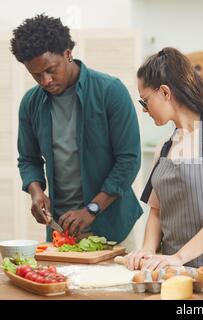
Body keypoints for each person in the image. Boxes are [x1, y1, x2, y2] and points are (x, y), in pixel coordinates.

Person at [11, 14, 143, 249]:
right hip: (62, 232)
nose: (46, 80)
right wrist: (36, 192)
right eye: (36, 75)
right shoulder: (30, 103)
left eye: (51, 70)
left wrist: (92, 209)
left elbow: (129, 160)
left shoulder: (110, 91)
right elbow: (28, 159)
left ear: (68, 53)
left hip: (113, 228)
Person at [125, 47, 203, 270]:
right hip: (172, 273)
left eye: (145, 101)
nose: (144, 110)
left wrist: (179, 257)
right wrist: (147, 250)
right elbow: (156, 211)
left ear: (165, 92)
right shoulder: (164, 147)